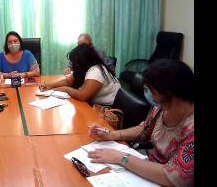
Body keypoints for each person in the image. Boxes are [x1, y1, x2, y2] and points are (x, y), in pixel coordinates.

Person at [88, 59, 194, 187]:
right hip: (147, 171)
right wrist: (112, 135)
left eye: (153, 92)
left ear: (171, 93)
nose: (150, 96)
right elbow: (145, 128)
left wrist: (122, 158)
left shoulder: (191, 128)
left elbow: (174, 178)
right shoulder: (161, 107)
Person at [40, 44, 120, 106]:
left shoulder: (96, 71)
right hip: (94, 104)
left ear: (84, 61)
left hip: (108, 108)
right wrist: (50, 85)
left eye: (75, 63)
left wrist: (65, 89)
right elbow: (68, 81)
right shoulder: (83, 68)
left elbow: (82, 95)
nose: (73, 65)